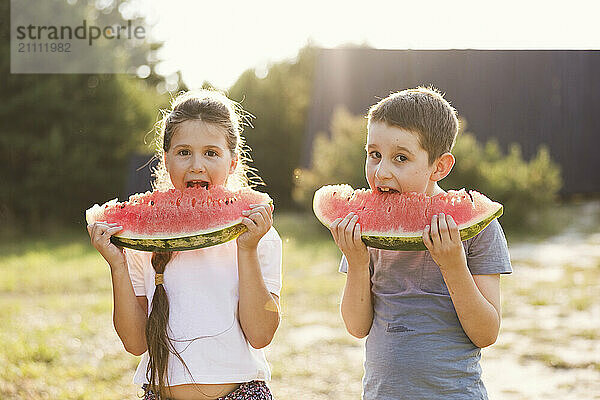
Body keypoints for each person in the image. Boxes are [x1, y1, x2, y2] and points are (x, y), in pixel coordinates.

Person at [87, 90, 282, 400]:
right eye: (183, 152)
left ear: (233, 161)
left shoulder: (260, 236)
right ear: (165, 160)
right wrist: (118, 265)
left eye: (211, 153)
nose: (196, 165)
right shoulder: (143, 242)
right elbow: (135, 343)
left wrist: (246, 250)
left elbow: (261, 335)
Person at [329, 87, 512, 399]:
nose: (381, 171)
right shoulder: (367, 231)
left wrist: (454, 265)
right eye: (374, 155)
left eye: (401, 158)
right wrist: (358, 263)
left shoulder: (477, 228)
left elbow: (486, 332)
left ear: (439, 166)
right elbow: (357, 327)